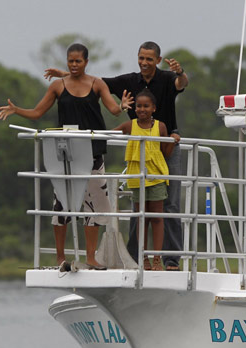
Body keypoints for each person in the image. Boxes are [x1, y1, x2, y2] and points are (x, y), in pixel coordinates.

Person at [45, 41, 188, 270]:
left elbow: (182, 83)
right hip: (138, 151)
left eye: (149, 59)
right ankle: (137, 256)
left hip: (166, 142)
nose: (144, 62)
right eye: (141, 57)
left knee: (168, 206)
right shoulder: (129, 81)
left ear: (158, 61)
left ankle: (169, 259)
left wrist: (180, 73)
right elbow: (94, 83)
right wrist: (65, 75)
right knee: (138, 207)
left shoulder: (167, 78)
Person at [0, 43, 133, 270]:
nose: (73, 65)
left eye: (78, 61)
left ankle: (91, 257)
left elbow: (113, 109)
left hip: (93, 152)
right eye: (70, 61)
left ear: (86, 62)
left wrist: (122, 106)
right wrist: (17, 110)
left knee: (97, 205)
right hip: (66, 154)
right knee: (61, 204)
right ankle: (60, 256)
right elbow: (38, 112)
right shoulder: (58, 86)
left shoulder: (97, 84)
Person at [113, 89, 177, 271]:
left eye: (146, 106)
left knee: (156, 217)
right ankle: (143, 257)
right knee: (141, 218)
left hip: (156, 175)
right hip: (136, 177)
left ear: (154, 108)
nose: (142, 109)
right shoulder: (129, 126)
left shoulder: (161, 127)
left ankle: (157, 257)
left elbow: (166, 152)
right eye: (139, 106)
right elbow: (108, 135)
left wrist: (174, 139)